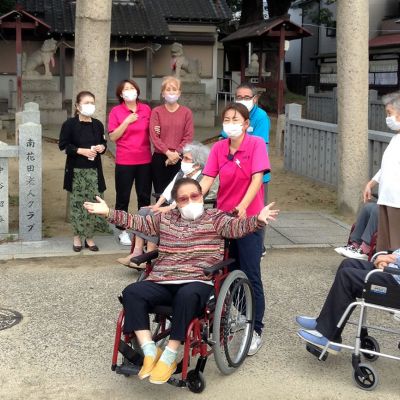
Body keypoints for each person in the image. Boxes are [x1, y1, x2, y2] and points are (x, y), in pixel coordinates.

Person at [84, 178, 279, 384]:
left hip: (197, 280)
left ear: (201, 196)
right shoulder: (166, 219)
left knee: (186, 296)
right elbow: (137, 222)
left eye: (195, 196)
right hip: (164, 279)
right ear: (176, 202)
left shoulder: (216, 218)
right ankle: (150, 353)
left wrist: (257, 220)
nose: (190, 202)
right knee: (132, 292)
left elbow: (238, 227)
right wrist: (108, 213)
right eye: (184, 199)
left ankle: (169, 355)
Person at [201, 103, 271, 356]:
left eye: (236, 119)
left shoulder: (255, 145)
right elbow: (207, 179)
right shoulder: (219, 148)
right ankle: (239, 312)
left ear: (245, 124)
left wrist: (242, 205)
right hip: (224, 220)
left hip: (250, 218)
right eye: (227, 118)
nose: (230, 123)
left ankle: (256, 329)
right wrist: (187, 199)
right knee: (225, 271)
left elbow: (256, 178)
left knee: (250, 272)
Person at [116, 141, 217, 268]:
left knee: (154, 215)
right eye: (183, 157)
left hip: (188, 210)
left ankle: (150, 256)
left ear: (197, 165)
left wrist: (165, 208)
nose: (182, 160)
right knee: (144, 211)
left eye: (186, 158)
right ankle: (136, 252)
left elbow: (187, 198)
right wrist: (157, 205)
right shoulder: (183, 173)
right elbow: (169, 190)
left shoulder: (202, 178)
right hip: (173, 206)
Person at [296, 249, 400, 353]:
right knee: (347, 263)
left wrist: (392, 259)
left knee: (346, 277)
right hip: (392, 270)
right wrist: (387, 260)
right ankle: (323, 323)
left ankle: (329, 337)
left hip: (396, 283)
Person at [220, 83, 271, 256]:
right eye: (239, 97)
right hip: (234, 173)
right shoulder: (233, 116)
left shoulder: (261, 117)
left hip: (255, 171)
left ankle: (258, 246)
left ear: (255, 99)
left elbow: (260, 141)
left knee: (255, 213)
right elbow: (226, 135)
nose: (242, 100)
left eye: (246, 97)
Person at [59, 90, 109, 252]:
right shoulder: (69, 124)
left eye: (92, 103)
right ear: (77, 106)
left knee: (94, 203)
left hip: (94, 171)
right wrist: (81, 151)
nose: (90, 106)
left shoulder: (98, 124)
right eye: (86, 103)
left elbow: (103, 143)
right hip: (76, 171)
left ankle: (89, 237)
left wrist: (102, 147)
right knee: (77, 204)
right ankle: (76, 236)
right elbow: (63, 146)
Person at [108, 79, 152, 246]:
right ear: (121, 94)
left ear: (137, 91)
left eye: (132, 88)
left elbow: (154, 131)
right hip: (125, 160)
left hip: (145, 160)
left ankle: (143, 229)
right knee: (123, 197)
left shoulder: (146, 109)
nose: (130, 91)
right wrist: (126, 121)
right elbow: (113, 136)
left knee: (144, 197)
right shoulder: (116, 112)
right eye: (126, 89)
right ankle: (122, 230)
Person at [363, 91, 400, 252]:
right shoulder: (395, 139)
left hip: (397, 200)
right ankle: (383, 272)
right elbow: (387, 167)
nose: (388, 118)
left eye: (389, 113)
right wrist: (370, 184)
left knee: (395, 245)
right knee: (384, 244)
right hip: (387, 197)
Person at [150, 76, 194, 194]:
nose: (171, 92)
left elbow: (188, 136)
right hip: (160, 158)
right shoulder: (156, 112)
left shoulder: (186, 113)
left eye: (174, 89)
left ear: (179, 93)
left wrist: (176, 153)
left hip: (179, 158)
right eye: (168, 89)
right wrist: (168, 153)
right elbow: (154, 137)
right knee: (161, 194)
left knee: (178, 194)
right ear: (163, 93)